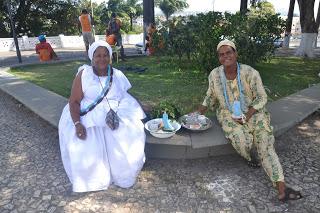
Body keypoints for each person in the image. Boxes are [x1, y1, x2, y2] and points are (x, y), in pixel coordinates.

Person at [195, 39, 302, 202]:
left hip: (254, 112)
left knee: (265, 143)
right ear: (219, 58)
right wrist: (197, 114)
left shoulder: (250, 72)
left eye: (229, 52)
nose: (225, 57)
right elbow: (210, 97)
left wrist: (249, 114)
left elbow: (261, 97)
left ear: (235, 53)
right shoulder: (214, 75)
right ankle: (251, 156)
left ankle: (282, 187)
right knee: (241, 140)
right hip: (228, 114)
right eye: (221, 55)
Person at [58, 40, 146, 192]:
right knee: (86, 142)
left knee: (127, 132)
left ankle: (122, 176)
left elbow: (124, 95)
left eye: (105, 55)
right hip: (90, 113)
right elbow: (74, 101)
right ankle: (94, 180)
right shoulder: (84, 74)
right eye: (98, 55)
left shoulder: (117, 74)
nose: (102, 59)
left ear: (110, 57)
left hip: (114, 111)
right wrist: (78, 123)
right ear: (92, 57)